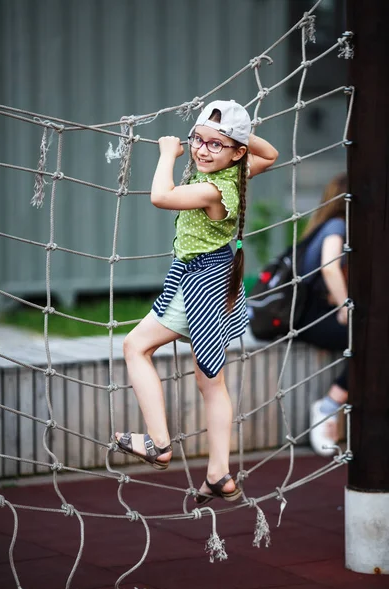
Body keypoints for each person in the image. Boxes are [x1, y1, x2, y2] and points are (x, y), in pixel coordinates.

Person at [114, 100, 278, 503]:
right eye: (197, 141)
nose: (203, 150)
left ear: (238, 152)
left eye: (215, 145)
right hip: (221, 282)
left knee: (135, 346)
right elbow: (270, 154)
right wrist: (227, 135)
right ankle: (220, 474)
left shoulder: (210, 188)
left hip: (198, 285)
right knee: (211, 381)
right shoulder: (239, 176)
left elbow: (160, 196)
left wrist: (169, 153)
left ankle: (158, 442)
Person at [296, 172, 349, 457]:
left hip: (309, 314)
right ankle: (327, 407)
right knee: (374, 342)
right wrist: (344, 308)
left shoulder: (324, 224)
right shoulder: (337, 225)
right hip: (312, 318)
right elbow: (329, 267)